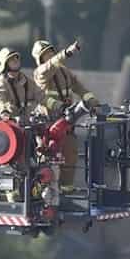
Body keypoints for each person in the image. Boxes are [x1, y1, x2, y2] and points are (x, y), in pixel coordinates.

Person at [31, 40, 101, 189]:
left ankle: (66, 189)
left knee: (71, 154)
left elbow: (80, 88)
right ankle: (42, 190)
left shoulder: (65, 73)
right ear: (40, 59)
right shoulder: (40, 74)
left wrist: (93, 102)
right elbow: (49, 66)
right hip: (48, 128)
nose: (50, 56)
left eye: (51, 52)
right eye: (46, 55)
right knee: (45, 160)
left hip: (66, 124)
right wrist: (66, 53)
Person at [0, 47, 61, 122]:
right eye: (11, 59)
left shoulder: (27, 81)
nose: (16, 60)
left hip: (27, 124)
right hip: (9, 123)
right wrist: (3, 111)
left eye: (16, 58)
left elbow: (42, 97)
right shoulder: (1, 83)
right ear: (4, 64)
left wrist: (59, 106)